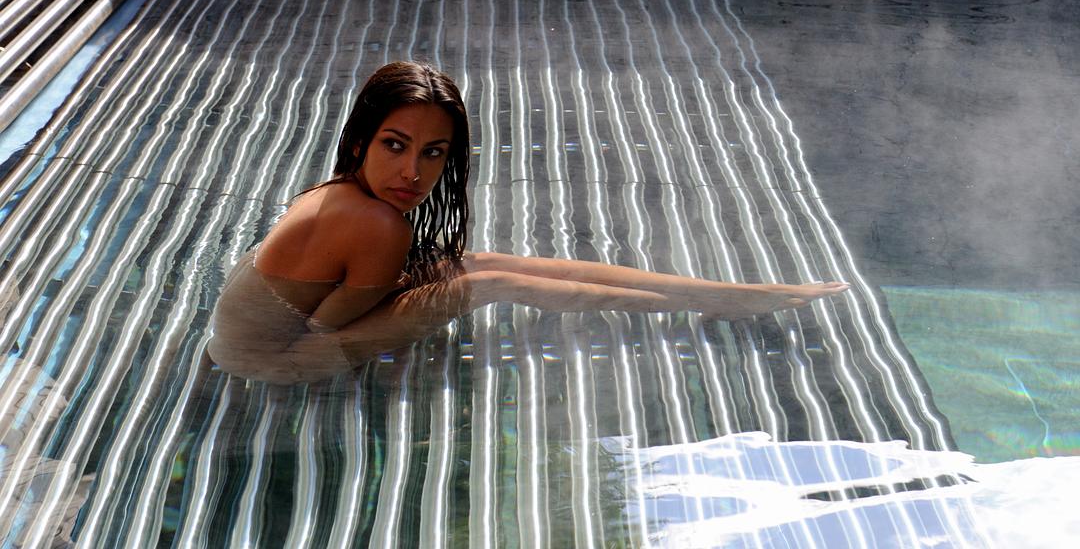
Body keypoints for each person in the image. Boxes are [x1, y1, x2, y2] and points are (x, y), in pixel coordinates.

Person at [207, 61, 848, 384]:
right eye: (395, 145)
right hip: (274, 361)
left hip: (260, 338)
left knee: (477, 264)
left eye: (433, 153)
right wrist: (420, 305)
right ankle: (720, 301)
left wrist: (420, 287)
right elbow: (327, 329)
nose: (412, 172)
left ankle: (720, 295)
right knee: (485, 281)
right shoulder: (376, 224)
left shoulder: (344, 195)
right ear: (359, 143)